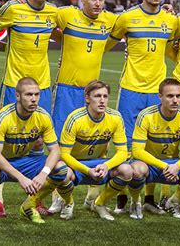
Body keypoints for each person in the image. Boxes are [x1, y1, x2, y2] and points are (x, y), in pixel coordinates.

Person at [106, 0, 178, 214]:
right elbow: (106, 44)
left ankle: (148, 199)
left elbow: (172, 49)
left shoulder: (171, 20)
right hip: (131, 89)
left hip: (157, 91)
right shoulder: (127, 18)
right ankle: (123, 196)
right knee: (125, 145)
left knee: (154, 145)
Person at [0, 0, 59, 217]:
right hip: (14, 86)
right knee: (6, 141)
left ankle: (32, 199)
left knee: (38, 141)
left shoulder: (53, 13)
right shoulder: (13, 9)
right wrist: (6, 50)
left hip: (42, 87)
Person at [48, 0, 118, 213]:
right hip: (67, 89)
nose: (98, 4)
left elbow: (137, 20)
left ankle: (93, 195)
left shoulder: (110, 20)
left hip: (93, 92)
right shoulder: (66, 14)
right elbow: (43, 17)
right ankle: (59, 195)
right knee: (60, 143)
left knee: (99, 142)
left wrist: (167, 9)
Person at [0, 77, 66, 224]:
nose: (34, 99)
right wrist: (21, 178)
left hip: (26, 161)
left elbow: (55, 151)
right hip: (3, 163)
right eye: (29, 95)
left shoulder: (43, 116)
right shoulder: (4, 117)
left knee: (61, 168)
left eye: (37, 95)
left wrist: (43, 174)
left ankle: (29, 205)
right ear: (17, 96)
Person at [54, 80, 132, 221]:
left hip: (99, 163)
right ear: (87, 98)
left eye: (105, 96)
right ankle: (68, 202)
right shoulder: (75, 118)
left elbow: (122, 152)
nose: (102, 100)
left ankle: (99, 203)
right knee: (62, 173)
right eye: (97, 96)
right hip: (75, 164)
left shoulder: (115, 117)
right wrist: (87, 170)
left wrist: (106, 166)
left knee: (127, 170)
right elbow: (64, 154)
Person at [128, 78, 180, 219]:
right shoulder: (146, 115)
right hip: (150, 165)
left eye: (178, 96)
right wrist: (165, 166)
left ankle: (173, 202)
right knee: (136, 170)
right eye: (170, 96)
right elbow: (137, 150)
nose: (175, 100)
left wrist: (177, 166)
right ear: (160, 97)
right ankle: (135, 202)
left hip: (173, 164)